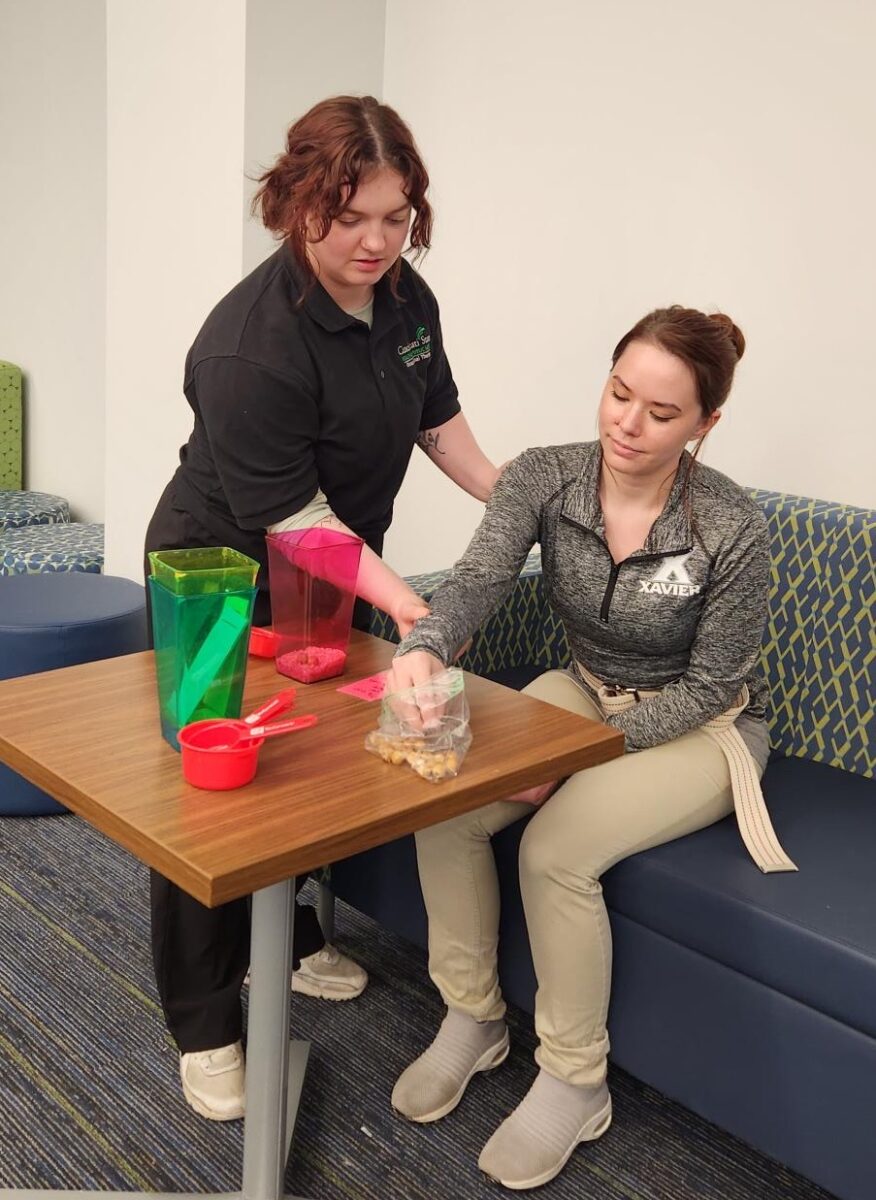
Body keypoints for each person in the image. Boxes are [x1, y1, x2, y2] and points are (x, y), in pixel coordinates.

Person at [144, 95, 503, 1122]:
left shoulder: (404, 300)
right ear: (297, 203)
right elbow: (296, 518)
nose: (378, 242)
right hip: (218, 569)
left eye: (397, 217)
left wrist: (524, 493)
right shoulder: (248, 347)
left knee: (311, 762)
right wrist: (408, 608)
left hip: (328, 567)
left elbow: (442, 430)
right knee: (208, 789)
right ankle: (207, 1022)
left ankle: (288, 938)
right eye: (353, 218)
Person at [386, 306, 794, 1190]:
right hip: (584, 688)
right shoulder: (544, 477)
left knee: (555, 852)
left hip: (702, 729)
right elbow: (478, 584)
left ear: (705, 425)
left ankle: (575, 1079)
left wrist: (571, 751)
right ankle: (474, 1017)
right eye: (618, 394)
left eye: (661, 412)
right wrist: (422, 646)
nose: (627, 424)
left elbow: (707, 687)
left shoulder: (731, 528)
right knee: (448, 797)